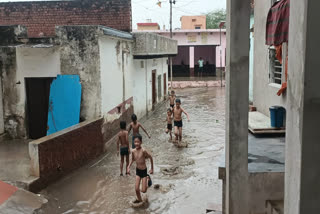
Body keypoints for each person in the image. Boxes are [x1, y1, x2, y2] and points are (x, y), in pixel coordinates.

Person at [127, 134, 154, 203]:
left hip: (144, 172)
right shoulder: (133, 151)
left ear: (141, 142)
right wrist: (128, 167)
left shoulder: (143, 151)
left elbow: (150, 157)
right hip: (138, 171)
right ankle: (140, 200)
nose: (136, 143)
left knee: (143, 190)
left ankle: (147, 179)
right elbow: (132, 159)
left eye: (138, 142)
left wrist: (152, 168)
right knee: (136, 189)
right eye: (135, 142)